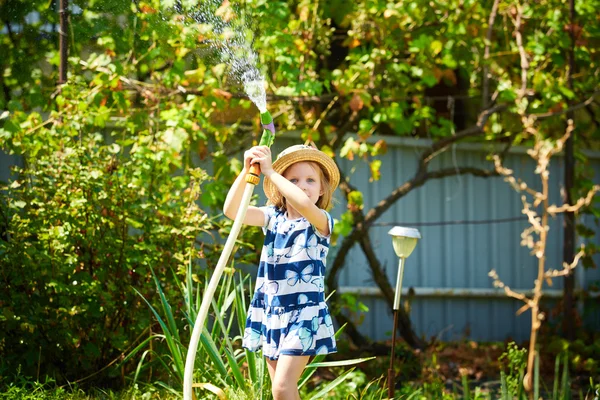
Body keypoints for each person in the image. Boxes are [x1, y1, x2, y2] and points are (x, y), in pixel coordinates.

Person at [223, 144, 340, 400]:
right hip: (272, 311)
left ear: (321, 190)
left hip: (304, 313)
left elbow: (303, 204)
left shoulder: (320, 221)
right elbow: (232, 211)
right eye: (294, 180)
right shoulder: (272, 218)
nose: (302, 186)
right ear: (281, 188)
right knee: (280, 392)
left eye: (310, 180)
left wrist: (272, 173)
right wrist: (246, 172)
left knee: (283, 388)